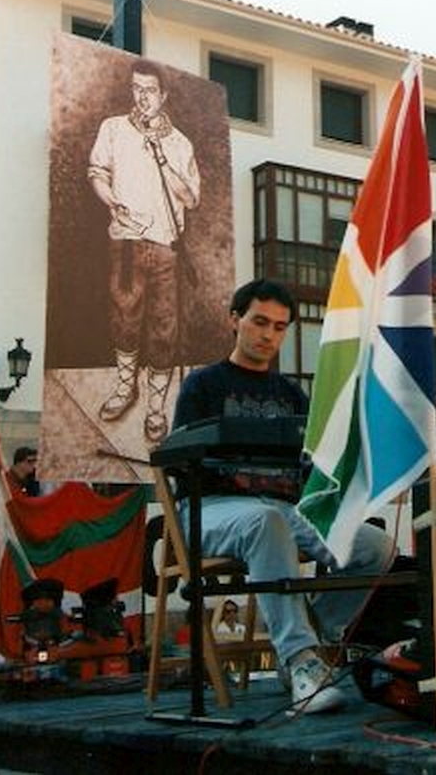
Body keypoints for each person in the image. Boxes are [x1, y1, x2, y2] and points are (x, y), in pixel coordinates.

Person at [171, 279, 395, 715]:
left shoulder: (293, 395)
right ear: (234, 320)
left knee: (377, 546)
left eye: (279, 326)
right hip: (210, 511)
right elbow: (179, 462)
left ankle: (315, 632)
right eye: (259, 322)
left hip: (284, 510)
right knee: (266, 521)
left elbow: (317, 466)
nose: (268, 335)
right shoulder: (202, 385)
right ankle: (300, 660)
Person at [89, 59, 201, 443]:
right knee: (123, 319)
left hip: (167, 246)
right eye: (137, 89)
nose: (142, 97)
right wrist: (111, 201)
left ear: (163, 95)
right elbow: (97, 172)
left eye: (150, 90)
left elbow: (191, 197)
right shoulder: (114, 129)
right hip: (125, 241)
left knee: (163, 328)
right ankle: (125, 387)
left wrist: (162, 156)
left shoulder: (179, 143)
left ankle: (156, 408)